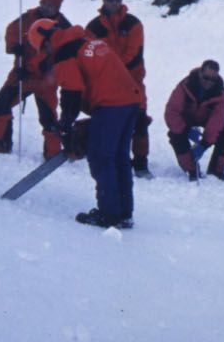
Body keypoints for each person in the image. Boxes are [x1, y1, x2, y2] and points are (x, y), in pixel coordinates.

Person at [29, 18, 144, 229]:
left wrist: (65, 123)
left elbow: (72, 89)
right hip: (131, 100)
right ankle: (124, 213)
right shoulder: (85, 39)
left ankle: (109, 215)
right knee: (119, 158)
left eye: (43, 48)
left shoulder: (63, 51)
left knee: (101, 156)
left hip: (111, 104)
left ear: (45, 41)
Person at [0, 0, 71, 157]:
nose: (45, 8)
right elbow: (11, 30)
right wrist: (15, 47)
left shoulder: (63, 26)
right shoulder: (29, 17)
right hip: (21, 75)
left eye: (50, 5)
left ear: (58, 7)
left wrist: (39, 68)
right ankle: (1, 142)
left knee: (48, 117)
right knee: (1, 105)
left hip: (45, 80)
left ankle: (53, 151)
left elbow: (62, 53)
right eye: (43, 3)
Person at [85, 0, 152, 178]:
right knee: (108, 121)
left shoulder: (133, 24)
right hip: (106, 84)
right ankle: (111, 158)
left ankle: (140, 163)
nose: (114, 3)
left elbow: (134, 54)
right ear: (103, 0)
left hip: (133, 82)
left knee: (139, 121)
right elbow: (91, 53)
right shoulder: (93, 27)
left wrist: (112, 69)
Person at [163, 59, 224, 181]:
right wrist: (186, 130)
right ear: (200, 73)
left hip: (206, 118)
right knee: (176, 135)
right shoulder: (185, 86)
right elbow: (172, 112)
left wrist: (204, 144)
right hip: (186, 118)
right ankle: (191, 169)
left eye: (212, 80)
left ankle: (216, 172)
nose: (208, 82)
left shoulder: (220, 92)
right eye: (206, 78)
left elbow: (217, 120)